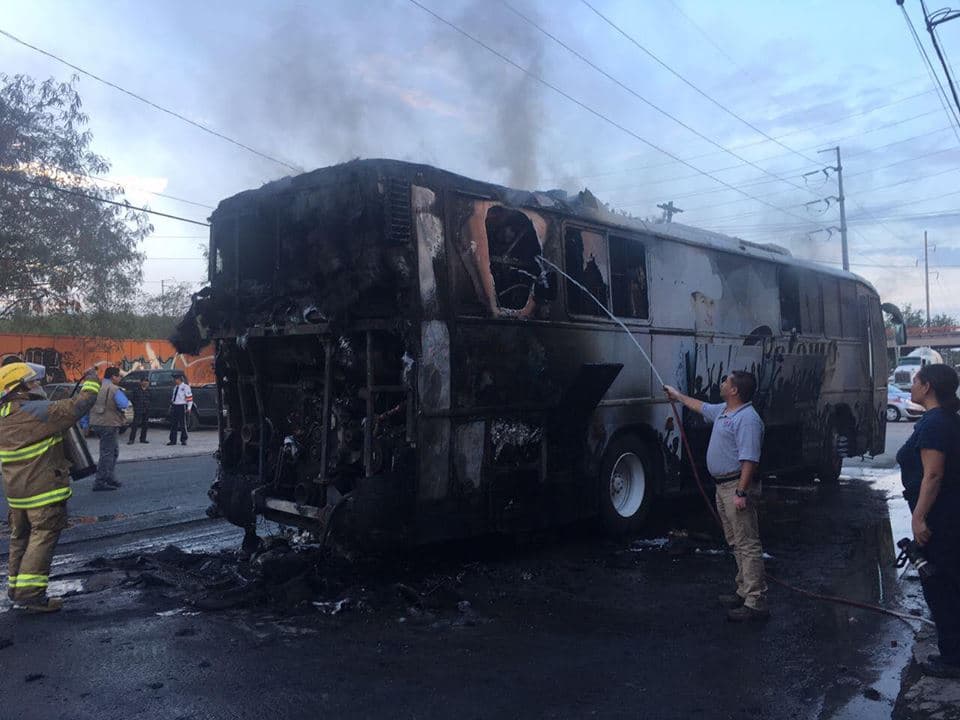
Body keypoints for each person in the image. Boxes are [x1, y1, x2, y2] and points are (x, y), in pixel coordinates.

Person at [664, 371, 768, 622]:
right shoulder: (724, 410)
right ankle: (743, 590)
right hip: (723, 486)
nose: (722, 384)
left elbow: (749, 460)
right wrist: (677, 396)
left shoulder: (748, 420)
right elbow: (700, 407)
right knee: (735, 541)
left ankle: (756, 601)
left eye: (726, 381)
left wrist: (741, 492)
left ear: (734, 391)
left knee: (747, 542)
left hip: (736, 486)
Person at [0, 362, 100, 612]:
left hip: (17, 496)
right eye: (32, 382)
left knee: (20, 540)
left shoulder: (6, 415)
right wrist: (92, 381)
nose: (37, 385)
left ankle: (16, 589)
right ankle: (31, 595)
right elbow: (79, 405)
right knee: (41, 540)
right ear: (19, 388)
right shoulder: (35, 412)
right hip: (43, 492)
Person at [896, 364, 960, 679]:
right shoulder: (943, 419)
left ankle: (953, 658)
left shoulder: (935, 423)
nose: (911, 387)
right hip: (949, 513)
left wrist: (919, 517)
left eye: (915, 382)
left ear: (928, 386)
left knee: (941, 585)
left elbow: (932, 475)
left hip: (941, 518)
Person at [89, 367, 129, 491]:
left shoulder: (97, 387)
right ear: (113, 377)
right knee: (108, 453)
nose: (120, 379)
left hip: (97, 422)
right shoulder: (114, 389)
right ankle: (100, 481)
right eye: (119, 376)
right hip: (109, 424)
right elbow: (124, 404)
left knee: (113, 451)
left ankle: (109, 477)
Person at [168, 374, 192, 446]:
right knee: (173, 424)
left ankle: (184, 439)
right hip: (175, 406)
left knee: (182, 424)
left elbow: (189, 398)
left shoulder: (185, 387)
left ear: (180, 379)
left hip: (181, 406)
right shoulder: (175, 387)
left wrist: (189, 408)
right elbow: (174, 397)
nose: (175, 381)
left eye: (176, 379)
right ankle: (173, 440)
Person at [127, 376, 151, 445]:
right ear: (141, 382)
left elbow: (151, 399)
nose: (146, 383)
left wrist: (148, 406)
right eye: (144, 381)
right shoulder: (136, 390)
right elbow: (132, 399)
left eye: (147, 381)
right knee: (135, 424)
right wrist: (136, 406)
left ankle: (143, 439)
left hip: (146, 409)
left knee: (145, 424)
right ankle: (131, 439)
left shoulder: (148, 390)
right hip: (138, 409)